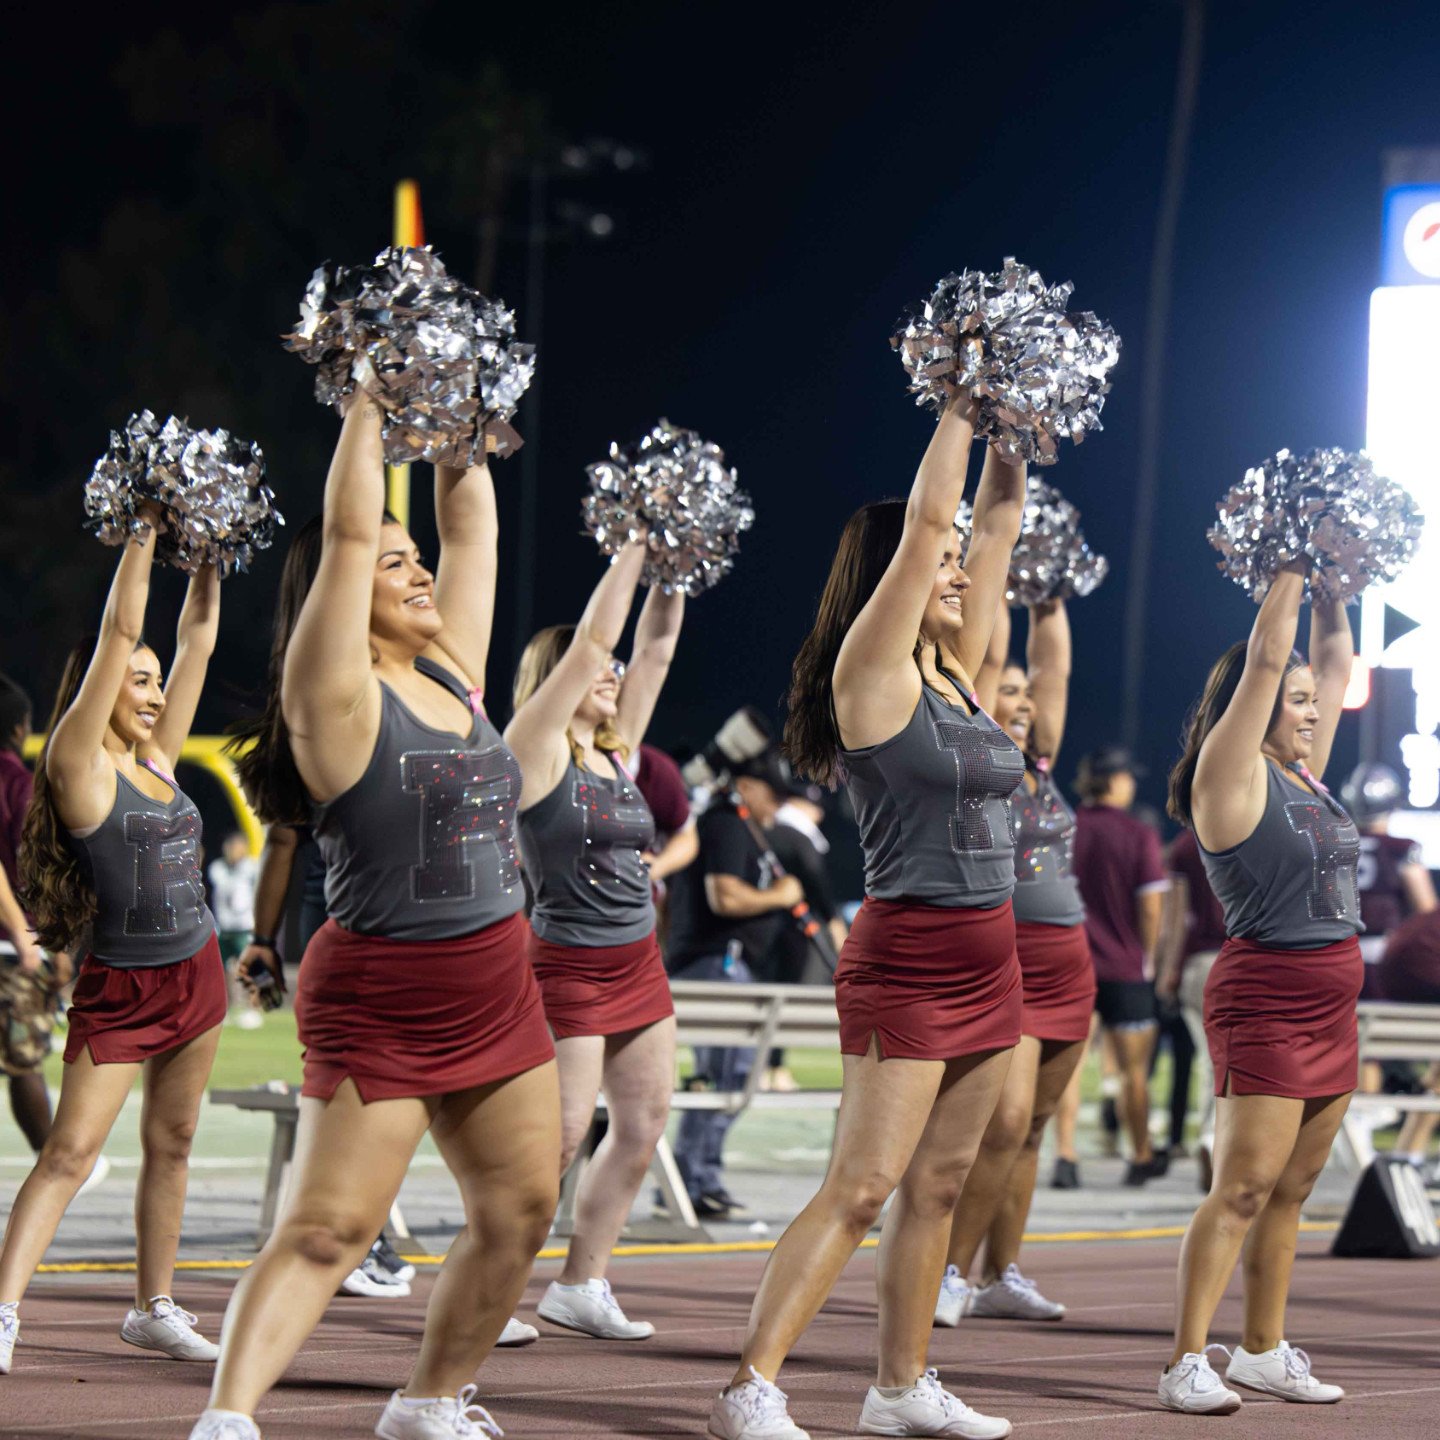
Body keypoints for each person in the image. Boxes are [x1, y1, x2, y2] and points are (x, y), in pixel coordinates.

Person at [191, 400, 559, 1440]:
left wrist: (458, 410)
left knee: (522, 1210)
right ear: (344, 596)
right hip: (385, 989)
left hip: (497, 983)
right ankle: (226, 1420)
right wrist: (366, 392)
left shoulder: (449, 671)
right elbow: (350, 530)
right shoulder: (336, 700)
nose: (418, 572)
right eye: (394, 566)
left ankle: (430, 1402)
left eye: (414, 560)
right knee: (329, 1229)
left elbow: (474, 525)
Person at [708, 394, 1024, 1440]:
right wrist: (961, 404)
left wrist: (1018, 427)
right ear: (896, 575)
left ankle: (900, 1387)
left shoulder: (962, 676)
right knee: (862, 1187)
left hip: (994, 959)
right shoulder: (873, 676)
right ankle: (750, 1385)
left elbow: (992, 525)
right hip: (911, 957)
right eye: (938, 568)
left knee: (938, 1187)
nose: (961, 575)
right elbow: (938, 521)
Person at [1, 516, 225, 1375]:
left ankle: (153, 1307)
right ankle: (5, 1308)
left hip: (198, 974)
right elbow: (123, 629)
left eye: (157, 683)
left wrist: (208, 556)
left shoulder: (160, 759)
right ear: (100, 688)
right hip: (122, 987)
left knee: (173, 1145)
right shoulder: (78, 765)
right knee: (68, 1153)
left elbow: (194, 636)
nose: (155, 690)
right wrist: (145, 529)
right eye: (137, 682)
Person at [1159, 558, 1356, 1414]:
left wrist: (1338, 577)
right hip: (1266, 999)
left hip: (1332, 1005)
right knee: (1239, 1188)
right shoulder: (1229, 776)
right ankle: (1184, 1360)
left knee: (1293, 1191)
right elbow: (1270, 658)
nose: (1314, 712)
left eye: (1317, 703)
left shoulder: (1308, 773)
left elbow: (1335, 658)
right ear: (1254, 702)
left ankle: (1264, 1350)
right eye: (1298, 700)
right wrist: (1286, 563)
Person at [507, 544, 685, 1340]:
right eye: (596, 666)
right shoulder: (535, 751)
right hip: (569, 965)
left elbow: (656, 647)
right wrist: (633, 546)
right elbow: (594, 644)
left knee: (643, 1128)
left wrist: (678, 558)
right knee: (561, 1138)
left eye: (614, 669)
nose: (612, 673)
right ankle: (492, 1285)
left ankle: (582, 1283)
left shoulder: (618, 749)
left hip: (638, 961)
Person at [935, 595, 1095, 1327]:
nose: (1025, 702)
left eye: (1028, 695)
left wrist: (1050, 594)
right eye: (1009, 691)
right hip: (1012, 962)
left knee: (1032, 1129)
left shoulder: (1041, 764)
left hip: (1071, 965)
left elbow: (1056, 666)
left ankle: (1003, 1271)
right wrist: (993, 587)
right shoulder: (981, 754)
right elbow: (986, 657)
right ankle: (947, 1273)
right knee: (1002, 1125)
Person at [664, 749, 801, 1219]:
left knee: (731, 1074)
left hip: (721, 963)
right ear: (744, 786)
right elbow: (724, 896)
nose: (778, 805)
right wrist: (779, 896)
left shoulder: (739, 826)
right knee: (725, 1073)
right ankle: (689, 1182)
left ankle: (697, 1178)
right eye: (773, 794)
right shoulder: (726, 822)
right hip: (715, 962)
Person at [1072, 746, 1170, 1184]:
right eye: (1128, 776)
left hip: (1071, 965)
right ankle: (1141, 1155)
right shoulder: (1137, 834)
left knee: (1070, 1067)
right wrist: (1146, 956)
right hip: (1125, 967)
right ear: (1115, 780)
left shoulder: (1066, 828)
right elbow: (1150, 906)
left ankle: (1066, 1156)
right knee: (1134, 1073)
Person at [1159, 827, 1229, 1190]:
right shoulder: (1247, 828)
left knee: (1210, 1060)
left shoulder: (1185, 846)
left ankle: (1211, 1137)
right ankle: (1216, 1138)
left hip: (1199, 961)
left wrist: (1167, 969)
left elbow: (1174, 919)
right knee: (1232, 1063)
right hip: (1242, 956)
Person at [208, 831, 261, 1030]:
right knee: (222, 971)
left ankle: (253, 1010)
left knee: (248, 970)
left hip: (244, 926)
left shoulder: (250, 868)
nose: (232, 851)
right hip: (224, 926)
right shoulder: (218, 868)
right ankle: (226, 1009)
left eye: (237, 847)